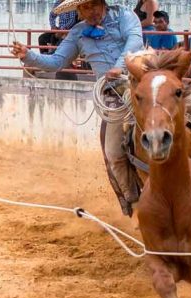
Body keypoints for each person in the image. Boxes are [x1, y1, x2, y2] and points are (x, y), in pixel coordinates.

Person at [11, 0, 144, 214]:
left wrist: (118, 68)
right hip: (115, 96)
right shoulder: (78, 33)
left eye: (93, 5)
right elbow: (57, 62)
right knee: (113, 153)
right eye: (84, 8)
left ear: (102, 3)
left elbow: (134, 42)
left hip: (143, 81)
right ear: (78, 11)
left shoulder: (125, 16)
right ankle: (133, 201)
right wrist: (28, 55)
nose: (90, 12)